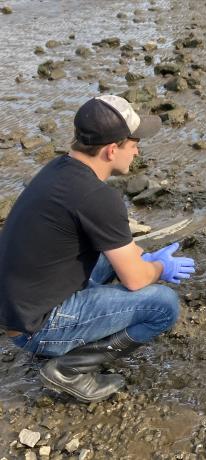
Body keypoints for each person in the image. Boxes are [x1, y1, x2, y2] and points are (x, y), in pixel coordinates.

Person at [0, 95, 196, 403]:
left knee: (119, 256)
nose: (137, 150)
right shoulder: (96, 197)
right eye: (134, 144)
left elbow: (118, 253)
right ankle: (70, 369)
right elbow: (134, 280)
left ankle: (64, 342)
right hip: (35, 326)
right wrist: (159, 268)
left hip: (18, 306)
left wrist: (143, 259)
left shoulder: (58, 169)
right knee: (164, 305)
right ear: (111, 150)